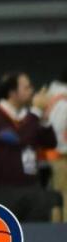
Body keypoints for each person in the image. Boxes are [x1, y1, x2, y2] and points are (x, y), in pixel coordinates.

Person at [0, 72, 59, 221]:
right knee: (7, 238)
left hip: (32, 186)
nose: (32, 91)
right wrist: (36, 111)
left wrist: (44, 120)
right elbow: (18, 139)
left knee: (38, 236)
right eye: (26, 87)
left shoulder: (29, 116)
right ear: (12, 93)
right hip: (5, 190)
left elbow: (50, 143)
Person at [47, 68, 67, 218]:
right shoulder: (62, 100)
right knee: (64, 197)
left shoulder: (54, 96)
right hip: (62, 156)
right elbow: (57, 130)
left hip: (58, 155)